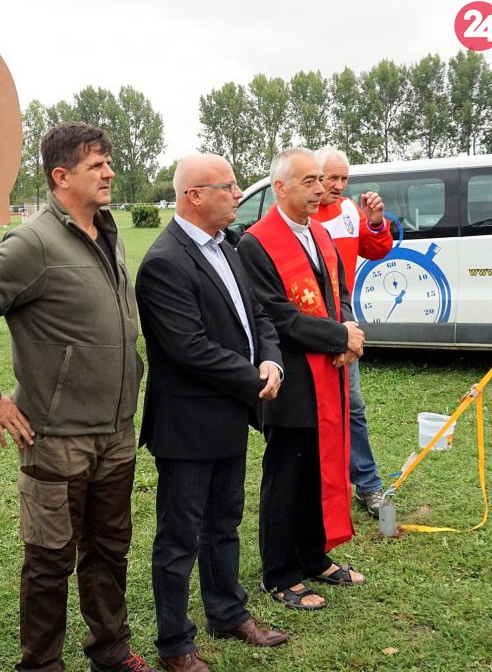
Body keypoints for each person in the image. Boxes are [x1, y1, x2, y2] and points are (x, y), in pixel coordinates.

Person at [0, 123, 153, 672]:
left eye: (108, 162)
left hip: (116, 430)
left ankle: (110, 651)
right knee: (49, 560)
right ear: (61, 176)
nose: (110, 172)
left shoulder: (107, 230)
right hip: (56, 436)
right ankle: (41, 665)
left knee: (109, 549)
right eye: (97, 165)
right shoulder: (33, 242)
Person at [136, 154, 288, 672]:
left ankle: (228, 613)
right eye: (229, 185)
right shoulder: (165, 261)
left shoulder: (228, 246)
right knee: (179, 537)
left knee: (225, 523)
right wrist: (253, 378)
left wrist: (270, 361)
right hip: (187, 426)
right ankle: (175, 644)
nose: (239, 192)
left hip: (228, 415)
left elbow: (258, 314)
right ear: (195, 195)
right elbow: (188, 347)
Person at [237, 147, 366, 612]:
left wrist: (346, 329)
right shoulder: (256, 243)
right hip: (289, 381)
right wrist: (339, 336)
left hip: (328, 374)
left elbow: (340, 293)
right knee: (286, 478)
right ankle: (280, 572)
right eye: (309, 181)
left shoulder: (321, 234)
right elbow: (278, 317)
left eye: (321, 179)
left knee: (319, 470)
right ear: (280, 187)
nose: (320, 188)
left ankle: (315, 556)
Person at [312, 147, 392, 518]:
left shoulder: (349, 210)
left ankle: (367, 485)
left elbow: (375, 250)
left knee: (353, 406)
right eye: (333, 178)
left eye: (344, 178)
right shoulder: (300, 211)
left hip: (344, 324)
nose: (339, 185)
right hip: (306, 329)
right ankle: (316, 485)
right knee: (311, 411)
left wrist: (375, 222)